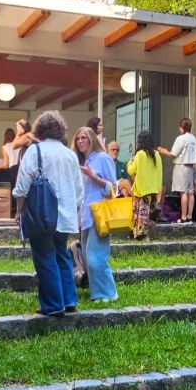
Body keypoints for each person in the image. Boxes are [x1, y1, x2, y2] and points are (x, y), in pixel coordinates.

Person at [13, 111, 83, 316]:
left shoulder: (34, 151)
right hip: (66, 216)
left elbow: (22, 185)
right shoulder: (70, 154)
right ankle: (69, 300)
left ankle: (53, 305)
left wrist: (19, 211)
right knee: (62, 255)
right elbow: (79, 190)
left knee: (44, 257)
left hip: (42, 215)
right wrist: (74, 210)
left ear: (39, 130)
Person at [72, 126, 118, 303]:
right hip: (85, 216)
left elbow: (112, 188)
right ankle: (98, 292)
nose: (80, 141)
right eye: (78, 138)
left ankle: (108, 293)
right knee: (87, 257)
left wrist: (93, 177)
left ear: (92, 139)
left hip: (100, 215)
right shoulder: (82, 161)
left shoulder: (103, 158)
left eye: (83, 137)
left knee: (95, 257)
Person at [157, 117, 196, 224]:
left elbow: (173, 154)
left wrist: (163, 151)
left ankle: (183, 217)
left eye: (180, 127)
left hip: (181, 166)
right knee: (190, 193)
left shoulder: (181, 138)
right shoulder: (194, 139)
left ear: (183, 127)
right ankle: (189, 217)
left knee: (183, 192)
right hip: (190, 167)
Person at [126, 131, 163, 240]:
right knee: (146, 213)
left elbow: (131, 171)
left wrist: (129, 163)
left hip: (141, 189)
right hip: (153, 188)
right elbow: (160, 172)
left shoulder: (140, 154)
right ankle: (142, 235)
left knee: (140, 213)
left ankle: (142, 236)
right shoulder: (157, 154)